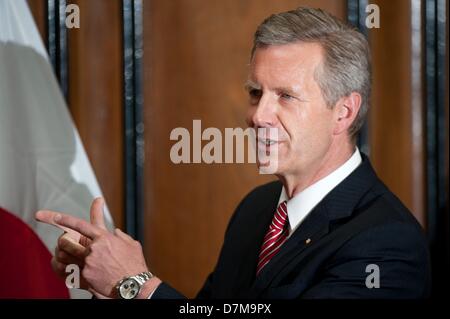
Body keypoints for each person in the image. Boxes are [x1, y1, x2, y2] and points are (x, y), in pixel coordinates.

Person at [36, 7, 431, 299]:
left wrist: (135, 283)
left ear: (343, 112)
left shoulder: (386, 241)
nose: (258, 116)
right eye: (256, 92)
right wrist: (108, 281)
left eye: (286, 97)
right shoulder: (257, 210)